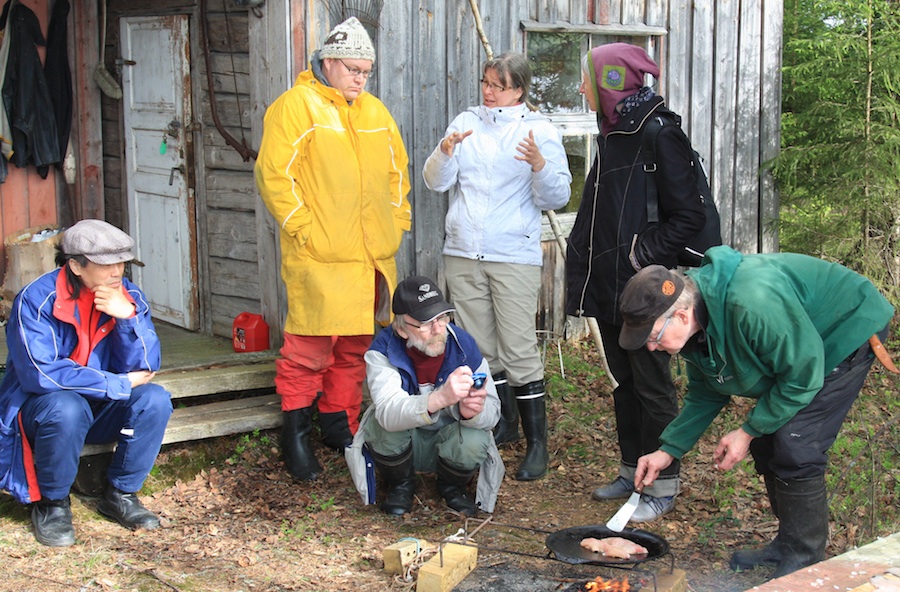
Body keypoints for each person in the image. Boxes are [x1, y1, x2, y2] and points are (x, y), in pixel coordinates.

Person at [625, 247, 894, 578]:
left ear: (680, 316)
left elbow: (801, 377)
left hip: (846, 328)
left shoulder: (750, 303)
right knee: (770, 437)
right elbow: (707, 392)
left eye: (653, 337)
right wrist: (669, 450)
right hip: (800, 345)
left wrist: (747, 431)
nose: (652, 348)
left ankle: (805, 561)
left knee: (795, 440)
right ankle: (788, 544)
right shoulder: (697, 324)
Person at [255, 17, 412, 482]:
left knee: (354, 346)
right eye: (352, 69)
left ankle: (338, 425)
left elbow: (396, 175)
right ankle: (296, 436)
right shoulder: (295, 107)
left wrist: (396, 222)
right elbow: (274, 176)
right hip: (319, 255)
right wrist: (303, 228)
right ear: (327, 62)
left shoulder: (375, 112)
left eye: (366, 71)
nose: (360, 79)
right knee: (308, 348)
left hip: (371, 258)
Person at [565, 43, 707, 519]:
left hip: (642, 290)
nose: (581, 87)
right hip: (609, 283)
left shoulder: (658, 133)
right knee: (623, 382)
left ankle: (662, 483)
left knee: (652, 386)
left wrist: (639, 256)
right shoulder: (612, 132)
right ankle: (632, 469)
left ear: (609, 81)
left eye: (587, 78)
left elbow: (689, 216)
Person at [423, 52, 571, 481]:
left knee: (519, 348)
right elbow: (436, 181)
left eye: (498, 85)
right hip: (464, 251)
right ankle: (503, 424)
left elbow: (556, 196)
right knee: (483, 348)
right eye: (485, 82)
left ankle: (537, 444)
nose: (488, 92)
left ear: (519, 89)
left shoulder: (538, 130)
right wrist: (445, 152)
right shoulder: (464, 122)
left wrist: (539, 166)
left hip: (513, 253)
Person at [0, 219, 173, 547]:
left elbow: (147, 367)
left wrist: (128, 318)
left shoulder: (128, 296)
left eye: (122, 262)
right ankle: (52, 505)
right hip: (45, 411)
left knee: (154, 399)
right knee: (68, 406)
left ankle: (120, 495)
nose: (117, 271)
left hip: (99, 407)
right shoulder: (36, 299)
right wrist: (115, 384)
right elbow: (42, 374)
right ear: (76, 265)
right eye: (107, 264)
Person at [352, 275, 503, 516]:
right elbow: (389, 413)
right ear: (401, 329)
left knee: (475, 437)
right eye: (425, 323)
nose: (438, 329)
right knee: (381, 426)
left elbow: (493, 414)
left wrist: (472, 412)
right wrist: (440, 399)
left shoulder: (464, 346)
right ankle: (400, 485)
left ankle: (452, 487)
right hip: (404, 442)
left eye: (442, 317)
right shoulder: (382, 350)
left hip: (447, 440)